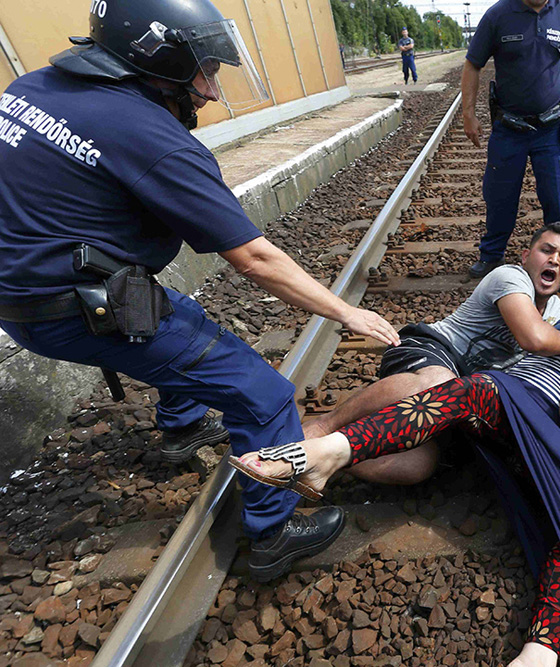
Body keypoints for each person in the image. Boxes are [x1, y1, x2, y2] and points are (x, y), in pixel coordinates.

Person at [0, 0, 400, 582]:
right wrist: (348, 314)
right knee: (263, 395)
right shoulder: (151, 137)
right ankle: (274, 531)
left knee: (175, 314)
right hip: (74, 311)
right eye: (203, 72)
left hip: (19, 298)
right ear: (156, 61)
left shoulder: (32, 87)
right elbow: (257, 259)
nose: (211, 92)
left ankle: (183, 424)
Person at [232, 309, 560, 666]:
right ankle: (333, 452)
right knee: (476, 390)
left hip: (544, 445)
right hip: (508, 405)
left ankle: (541, 648)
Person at [302, 223, 560, 486]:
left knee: (417, 466)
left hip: (459, 393)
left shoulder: (556, 311)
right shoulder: (510, 277)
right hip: (433, 351)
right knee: (438, 383)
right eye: (546, 250)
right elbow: (534, 339)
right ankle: (322, 426)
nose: (553, 259)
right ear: (527, 256)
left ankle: (328, 460)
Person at [462, 0, 560, 278]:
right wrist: (468, 113)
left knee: (555, 196)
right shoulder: (498, 15)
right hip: (508, 128)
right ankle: (492, 256)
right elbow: (472, 64)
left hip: (549, 128)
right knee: (500, 195)